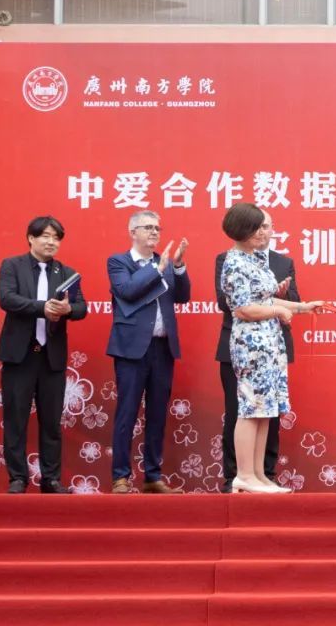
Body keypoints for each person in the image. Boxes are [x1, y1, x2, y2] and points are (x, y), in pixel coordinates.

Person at [220, 203, 323, 494]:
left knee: (265, 409)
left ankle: (258, 475)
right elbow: (243, 309)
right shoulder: (234, 262)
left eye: (265, 227)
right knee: (250, 407)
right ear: (243, 230)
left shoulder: (254, 259)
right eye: (257, 228)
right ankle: (243, 475)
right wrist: (278, 312)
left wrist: (303, 307)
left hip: (269, 343)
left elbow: (266, 299)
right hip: (251, 344)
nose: (264, 232)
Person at [0, 216, 88, 494]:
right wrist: (41, 307)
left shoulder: (67, 273)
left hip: (51, 357)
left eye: (56, 238)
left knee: (51, 422)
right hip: (19, 355)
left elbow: (82, 307)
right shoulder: (12, 265)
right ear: (31, 238)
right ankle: (17, 478)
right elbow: (6, 298)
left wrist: (68, 310)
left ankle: (51, 479)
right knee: (15, 419)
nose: (51, 242)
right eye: (45, 236)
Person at [107, 210, 191, 494]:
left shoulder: (164, 262)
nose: (155, 232)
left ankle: (153, 477)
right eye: (148, 227)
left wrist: (177, 267)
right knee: (127, 413)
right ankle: (120, 477)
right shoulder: (119, 262)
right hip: (131, 349)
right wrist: (157, 269)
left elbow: (182, 297)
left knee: (157, 414)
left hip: (162, 348)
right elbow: (128, 290)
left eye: (157, 228)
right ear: (133, 232)